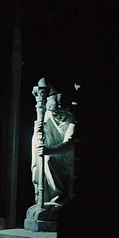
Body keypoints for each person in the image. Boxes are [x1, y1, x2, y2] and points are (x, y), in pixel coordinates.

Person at [28, 83, 77, 224]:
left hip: (65, 156)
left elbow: (69, 143)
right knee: (41, 162)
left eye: (62, 112)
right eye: (56, 113)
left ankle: (58, 198)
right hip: (50, 151)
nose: (58, 115)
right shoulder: (48, 114)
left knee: (49, 159)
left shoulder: (72, 118)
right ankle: (45, 199)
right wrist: (38, 129)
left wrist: (49, 150)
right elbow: (41, 134)